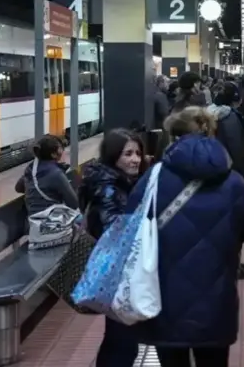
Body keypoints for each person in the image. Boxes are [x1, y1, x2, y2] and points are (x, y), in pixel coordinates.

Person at [127, 107, 244, 367]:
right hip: (216, 303)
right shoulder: (234, 182)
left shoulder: (154, 179)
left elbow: (129, 226)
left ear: (174, 136)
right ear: (211, 133)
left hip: (163, 299)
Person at [79, 129, 148, 367]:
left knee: (120, 338)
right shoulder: (108, 187)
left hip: (120, 270)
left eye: (138, 153)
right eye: (127, 154)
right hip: (117, 271)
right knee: (122, 340)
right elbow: (116, 229)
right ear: (113, 156)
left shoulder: (120, 181)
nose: (135, 159)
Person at [207, 82, 244, 280]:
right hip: (232, 177)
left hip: (219, 176)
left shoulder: (211, 115)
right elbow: (238, 149)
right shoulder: (230, 118)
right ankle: (231, 265)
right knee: (233, 225)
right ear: (235, 100)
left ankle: (232, 262)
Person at [16, 134, 79, 213]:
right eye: (61, 149)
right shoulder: (56, 174)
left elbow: (18, 188)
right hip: (53, 220)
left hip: (33, 220)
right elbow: (73, 203)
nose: (63, 151)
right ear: (53, 154)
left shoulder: (31, 168)